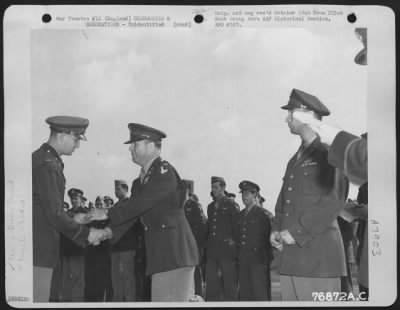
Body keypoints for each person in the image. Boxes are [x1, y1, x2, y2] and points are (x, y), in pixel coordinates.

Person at [91, 123, 199, 302]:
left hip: (176, 254)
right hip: (161, 256)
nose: (130, 148)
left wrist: (108, 213)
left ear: (150, 145)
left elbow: (140, 204)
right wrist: (105, 232)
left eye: (135, 144)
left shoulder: (164, 172)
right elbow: (132, 214)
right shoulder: (140, 181)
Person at [270, 89, 349, 301]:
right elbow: (282, 202)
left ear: (306, 116)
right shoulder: (294, 159)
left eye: (290, 113)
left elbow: (334, 200)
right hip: (292, 259)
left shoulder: (331, 152)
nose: (286, 118)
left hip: (318, 260)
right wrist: (276, 229)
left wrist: (296, 232)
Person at [32, 116, 106, 302]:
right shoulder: (48, 166)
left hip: (37, 247)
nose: (78, 145)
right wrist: (86, 234)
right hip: (40, 251)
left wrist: (74, 220)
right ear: (62, 135)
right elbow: (54, 214)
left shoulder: (41, 159)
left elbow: (45, 209)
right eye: (76, 139)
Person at [291, 111, 367, 185]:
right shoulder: (296, 157)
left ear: (310, 114)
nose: (287, 120)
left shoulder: (328, 153)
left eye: (291, 117)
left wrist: (338, 139)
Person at [205, 176, 240, 301]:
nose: (213, 190)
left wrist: (233, 241)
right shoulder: (210, 207)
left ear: (223, 187)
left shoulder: (231, 204)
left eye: (216, 187)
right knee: (212, 286)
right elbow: (209, 229)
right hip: (213, 251)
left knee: (229, 286)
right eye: (212, 187)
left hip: (227, 252)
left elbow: (237, 227)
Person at [237, 181, 272, 301]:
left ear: (255, 195)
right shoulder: (241, 215)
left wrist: (266, 261)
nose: (244, 196)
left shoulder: (262, 214)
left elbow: (268, 239)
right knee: (245, 294)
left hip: (258, 261)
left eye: (247, 193)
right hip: (243, 260)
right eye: (242, 193)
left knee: (260, 294)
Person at [109, 180, 137, 302]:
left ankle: (130, 302)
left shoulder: (131, 204)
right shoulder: (115, 207)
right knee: (116, 277)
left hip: (127, 246)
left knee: (128, 276)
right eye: (115, 189)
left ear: (126, 189)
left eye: (118, 189)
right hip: (115, 247)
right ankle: (118, 302)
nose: (116, 192)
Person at [60, 188, 89, 302]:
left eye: (76, 198)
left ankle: (77, 302)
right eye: (72, 198)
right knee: (65, 278)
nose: (73, 201)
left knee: (78, 278)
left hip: (78, 250)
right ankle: (65, 302)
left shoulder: (85, 213)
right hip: (66, 249)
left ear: (80, 199)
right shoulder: (66, 213)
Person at [84, 196, 114, 302]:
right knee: (92, 280)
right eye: (97, 205)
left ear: (105, 205)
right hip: (91, 255)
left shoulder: (109, 219)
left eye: (101, 204)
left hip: (104, 254)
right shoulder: (91, 220)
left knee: (105, 281)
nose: (99, 206)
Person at [183, 188, 208, 298]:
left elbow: (202, 227)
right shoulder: (179, 206)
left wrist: (198, 246)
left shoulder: (194, 205)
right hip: (184, 246)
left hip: (194, 245)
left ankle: (198, 297)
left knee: (196, 273)